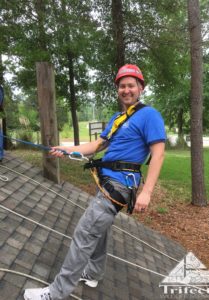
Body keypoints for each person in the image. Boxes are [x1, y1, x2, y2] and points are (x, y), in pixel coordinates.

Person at [24, 64, 166, 300]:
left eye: (131, 85)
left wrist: (147, 192)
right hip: (108, 182)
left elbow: (159, 154)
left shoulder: (149, 115)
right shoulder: (118, 118)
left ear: (140, 88)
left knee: (84, 233)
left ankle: (57, 293)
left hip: (120, 186)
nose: (126, 90)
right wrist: (66, 149)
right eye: (122, 86)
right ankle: (93, 272)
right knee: (98, 231)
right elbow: (95, 146)